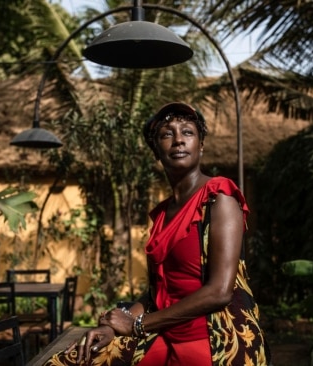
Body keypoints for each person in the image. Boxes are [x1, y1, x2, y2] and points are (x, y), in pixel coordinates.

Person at [45, 102, 270, 366]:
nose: (178, 141)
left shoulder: (219, 199)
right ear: (156, 151)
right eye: (167, 134)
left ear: (201, 145)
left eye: (187, 132)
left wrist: (138, 324)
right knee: (69, 360)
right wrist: (113, 327)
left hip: (213, 338)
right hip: (162, 334)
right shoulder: (163, 214)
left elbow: (219, 292)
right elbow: (156, 292)